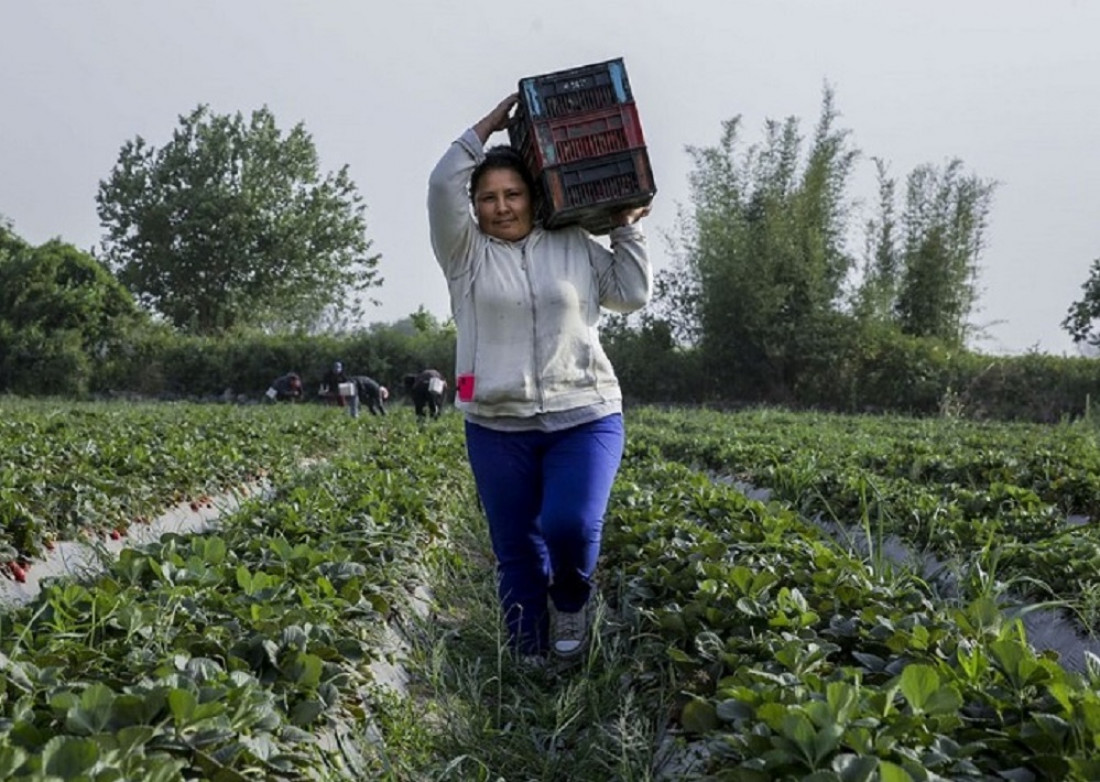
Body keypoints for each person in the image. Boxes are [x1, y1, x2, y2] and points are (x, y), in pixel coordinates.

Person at [427, 93, 652, 661]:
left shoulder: (571, 242)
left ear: (535, 196)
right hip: (497, 423)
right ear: (474, 208)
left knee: (570, 525)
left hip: (586, 413)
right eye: (488, 198)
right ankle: (528, 653)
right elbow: (439, 184)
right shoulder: (465, 256)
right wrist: (485, 128)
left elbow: (630, 293)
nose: (502, 207)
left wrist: (626, 229)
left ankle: (572, 600)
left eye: (513, 194)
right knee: (517, 548)